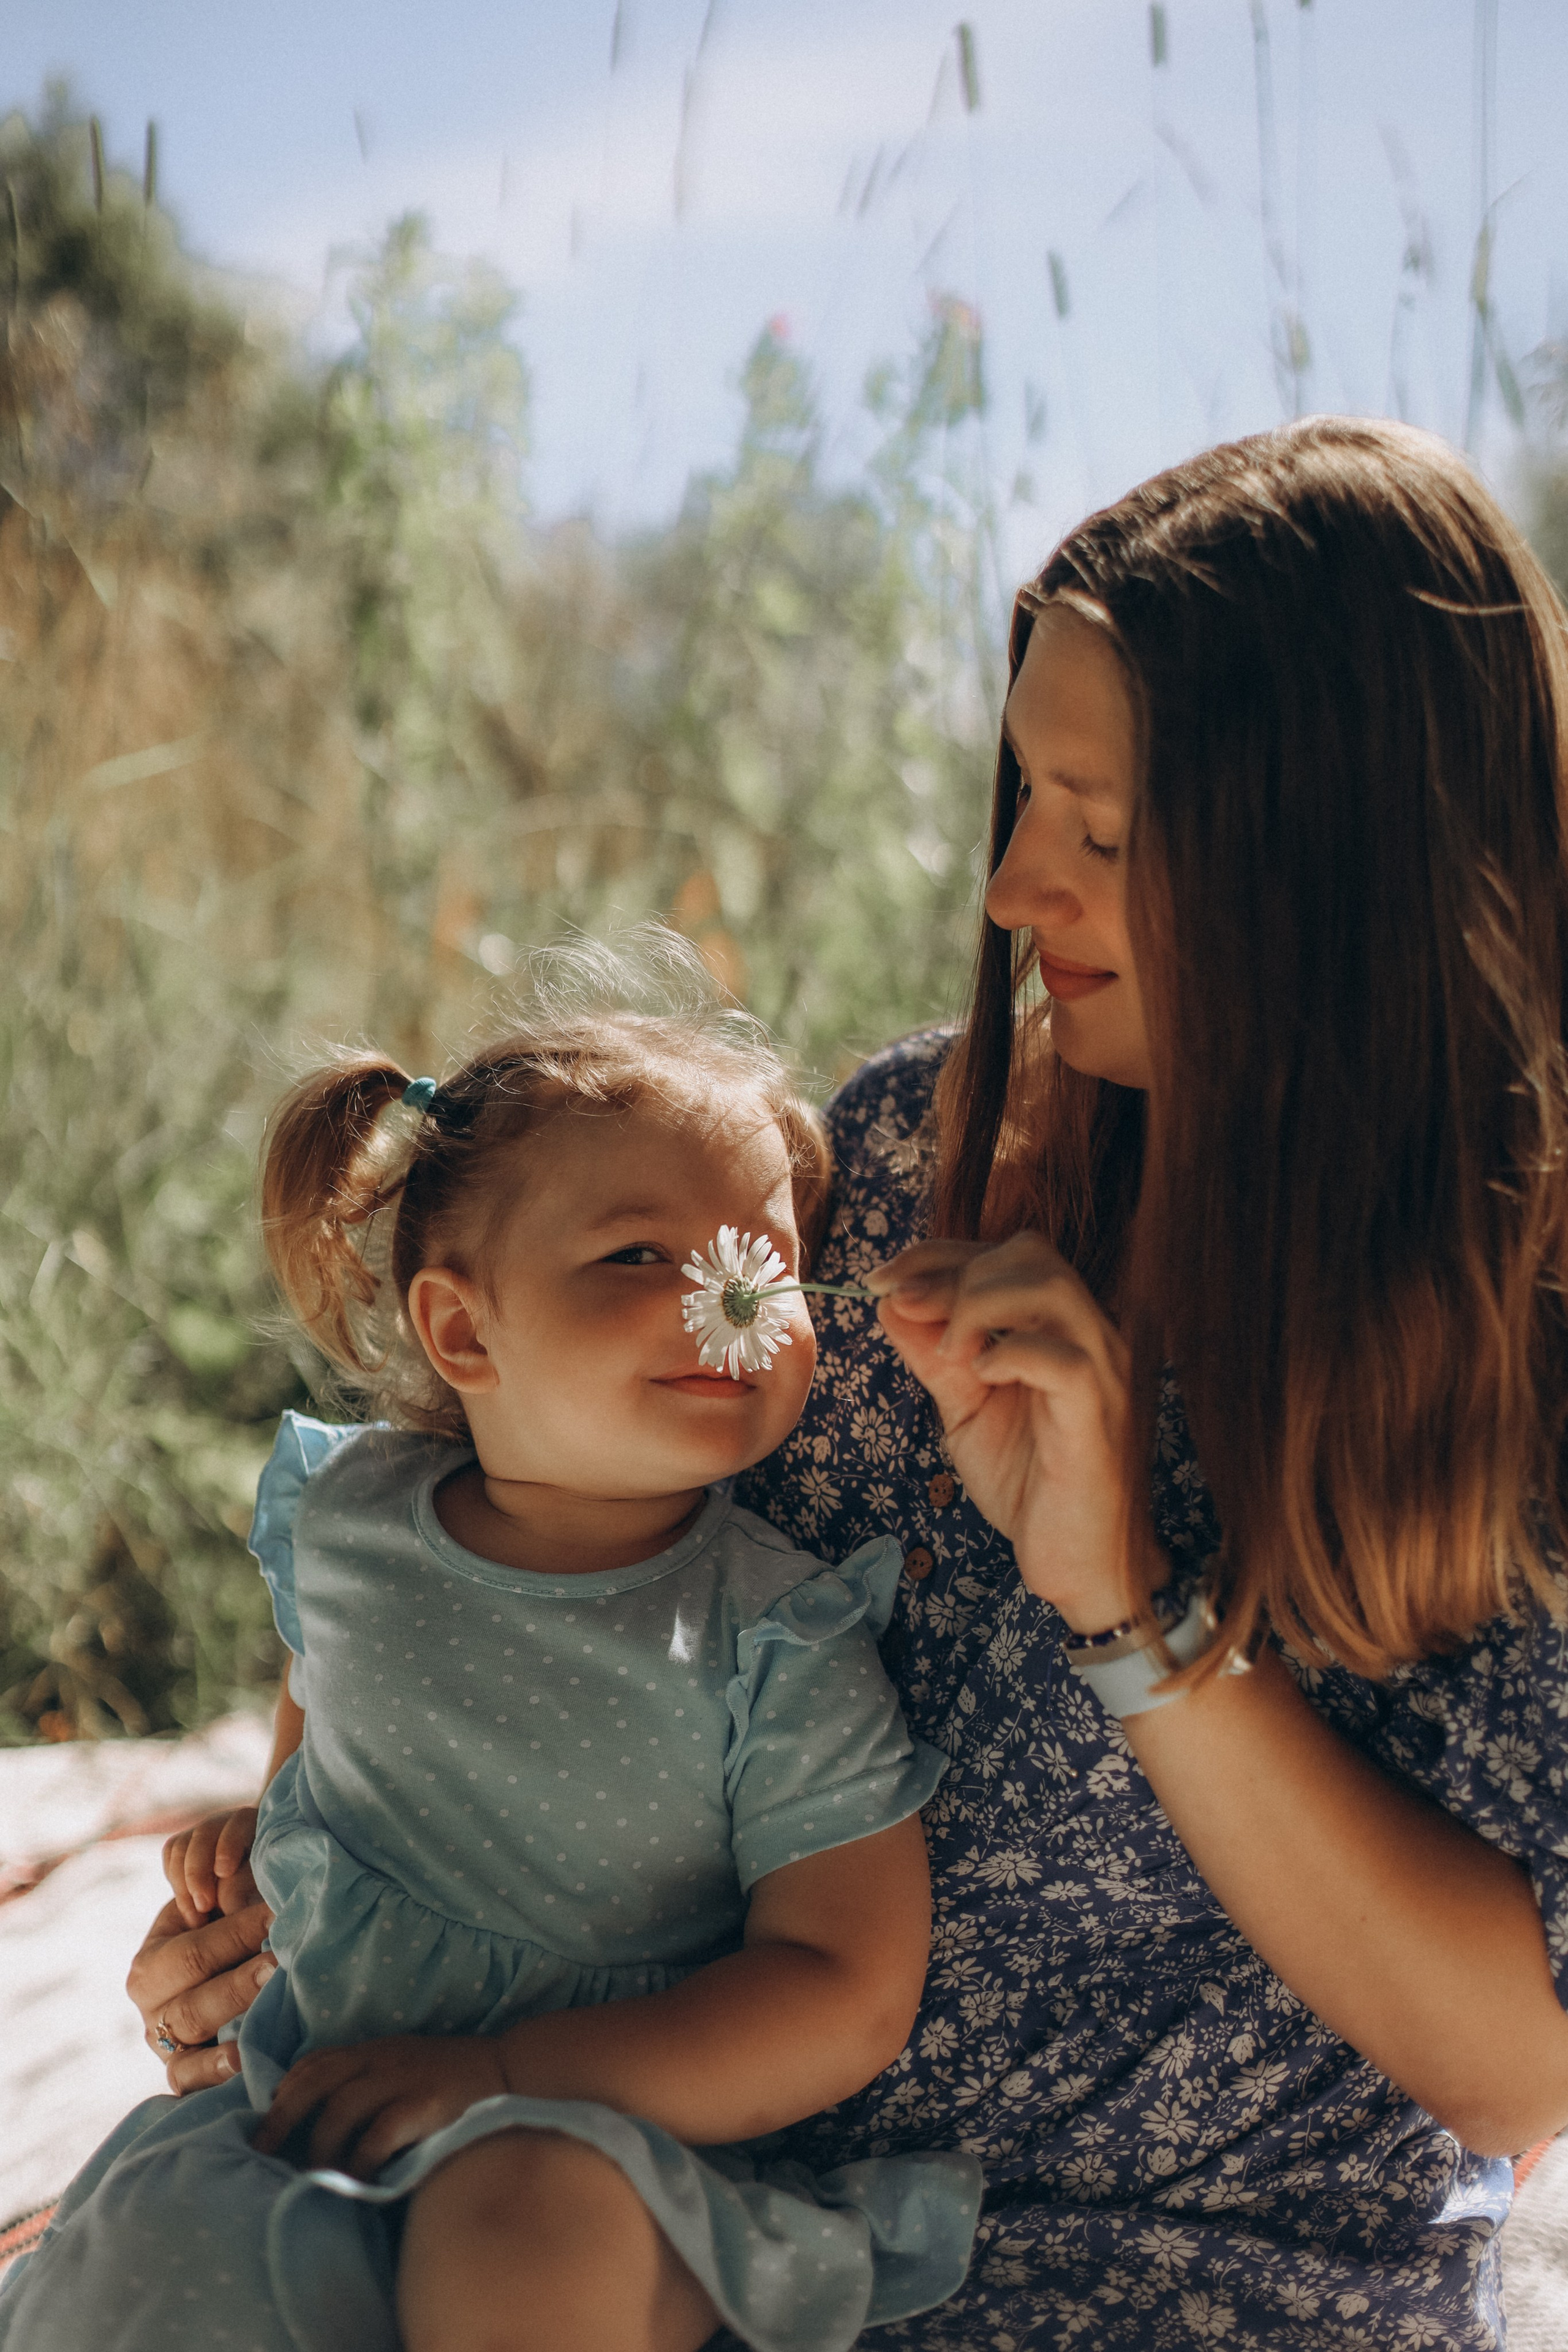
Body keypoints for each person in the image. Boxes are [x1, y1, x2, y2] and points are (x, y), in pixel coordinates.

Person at [126, 414, 1568, 2348]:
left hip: (1199, 2273)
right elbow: (537, 1563)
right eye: (1021, 800)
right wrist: (306, 1903)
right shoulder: (907, 1161)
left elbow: (1519, 2070)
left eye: (1105, 830)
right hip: (686, 2191)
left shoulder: (1520, 1329)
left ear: (1336, 866)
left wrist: (1118, 1599)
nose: (1015, 892)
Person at [0, 963, 982, 2352]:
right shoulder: (349, 1526)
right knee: (156, 2253)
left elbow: (846, 1987)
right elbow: (330, 1757)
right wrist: (250, 1853)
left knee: (518, 2216)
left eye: (759, 1261)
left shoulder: (782, 1633)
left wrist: (507, 2074)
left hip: (611, 2155)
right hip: (309, 2114)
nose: (724, 1302)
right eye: (641, 1256)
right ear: (461, 1328)